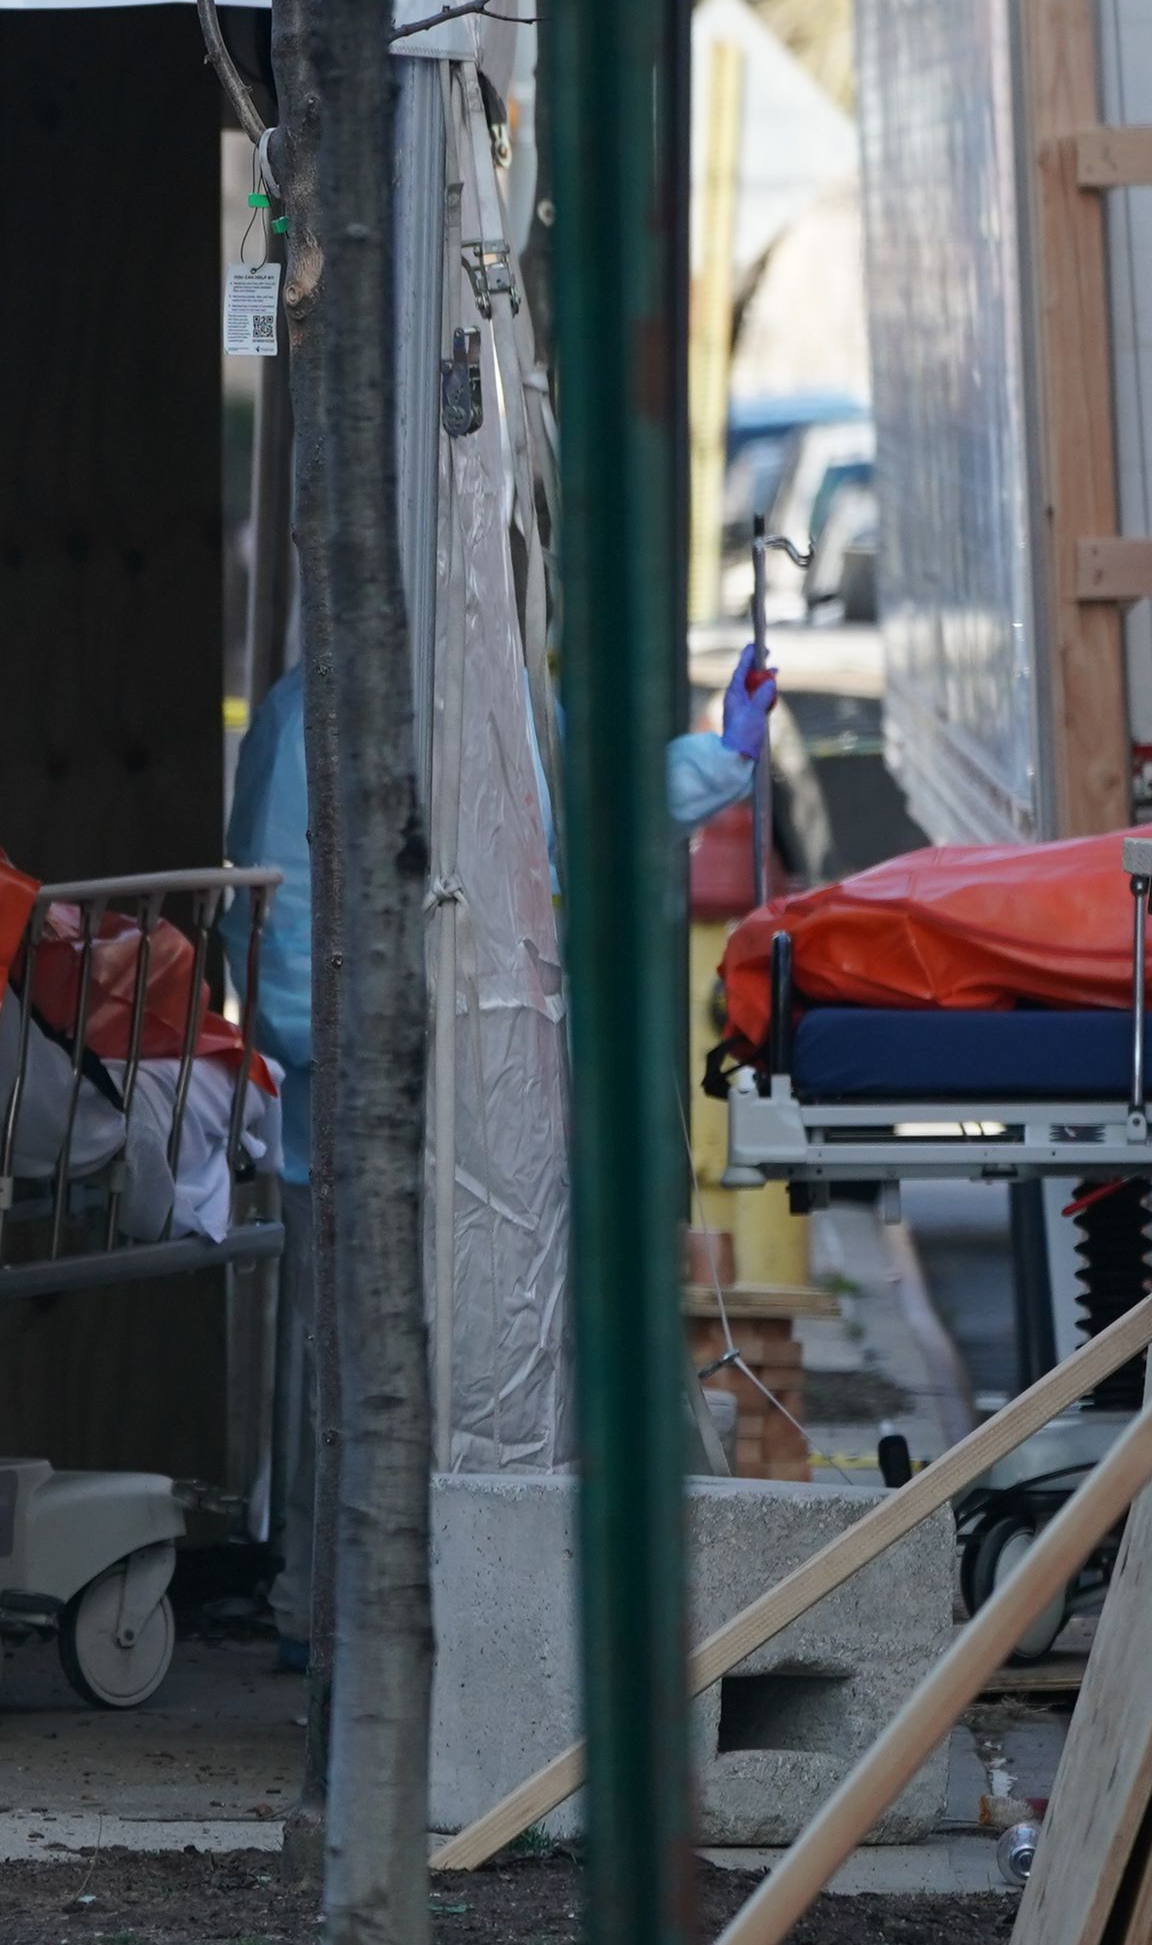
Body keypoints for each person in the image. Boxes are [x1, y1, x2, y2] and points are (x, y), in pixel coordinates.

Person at [226, 643, 775, 1660]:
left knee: (482, 1368)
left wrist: (715, 757)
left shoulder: (501, 700)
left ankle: (469, 1614)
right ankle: (332, 1615)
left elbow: (589, 816)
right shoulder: (318, 720)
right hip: (365, 1119)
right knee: (353, 1377)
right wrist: (375, 1053)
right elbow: (280, 946)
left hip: (492, 1112)